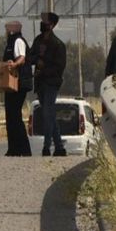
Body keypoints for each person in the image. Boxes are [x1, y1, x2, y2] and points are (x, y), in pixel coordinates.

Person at [27, 12, 67, 157]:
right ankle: (59, 147)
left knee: (47, 113)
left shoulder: (58, 45)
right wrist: (37, 60)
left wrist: (44, 68)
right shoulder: (38, 40)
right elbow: (30, 57)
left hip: (51, 83)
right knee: (49, 114)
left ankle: (46, 147)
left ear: (52, 25)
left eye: (45, 21)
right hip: (40, 83)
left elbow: (59, 67)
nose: (42, 23)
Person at [3, 21, 32, 157]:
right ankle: (13, 148)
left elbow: (22, 58)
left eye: (7, 29)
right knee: (11, 116)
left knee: (15, 115)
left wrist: (14, 64)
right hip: (12, 85)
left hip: (19, 84)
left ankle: (23, 149)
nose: (6, 32)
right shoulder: (10, 43)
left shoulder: (18, 41)